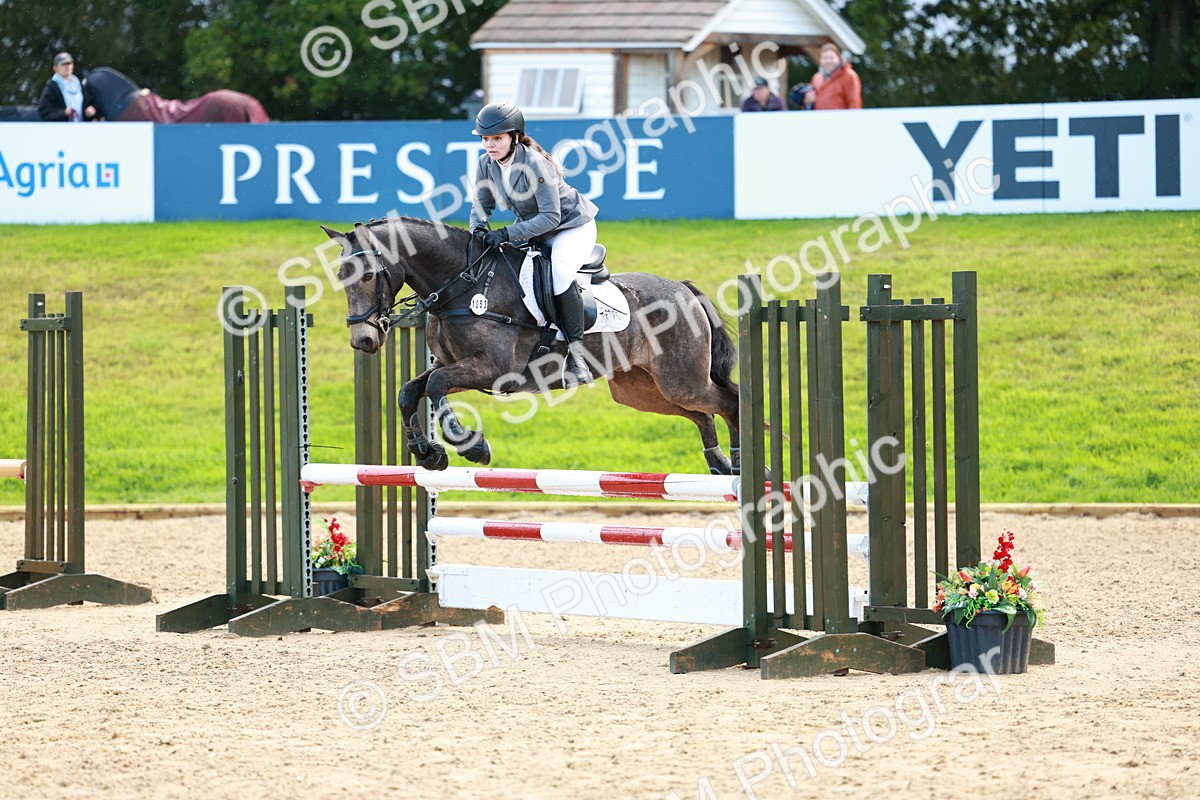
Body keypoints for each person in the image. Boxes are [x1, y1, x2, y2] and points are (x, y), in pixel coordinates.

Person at [468, 101, 601, 387]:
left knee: (560, 274)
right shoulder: (485, 164)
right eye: (485, 139)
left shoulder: (535, 164)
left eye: (497, 138)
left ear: (514, 137)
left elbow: (551, 217)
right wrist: (478, 228)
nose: (490, 145)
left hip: (571, 226)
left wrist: (506, 234)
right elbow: (481, 204)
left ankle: (577, 355)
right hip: (534, 227)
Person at [37, 52, 99, 122]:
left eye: (69, 63)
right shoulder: (51, 88)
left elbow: (88, 104)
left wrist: (90, 112)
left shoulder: (79, 85)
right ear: (55, 68)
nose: (67, 66)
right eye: (63, 64)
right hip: (62, 130)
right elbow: (43, 112)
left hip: (81, 129)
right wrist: (63, 113)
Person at [804, 43, 862, 110]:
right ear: (820, 60)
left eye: (831, 58)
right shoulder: (816, 78)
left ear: (839, 58)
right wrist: (808, 100)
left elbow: (854, 103)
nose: (828, 61)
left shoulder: (849, 75)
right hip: (820, 119)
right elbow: (809, 103)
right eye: (825, 58)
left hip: (840, 119)